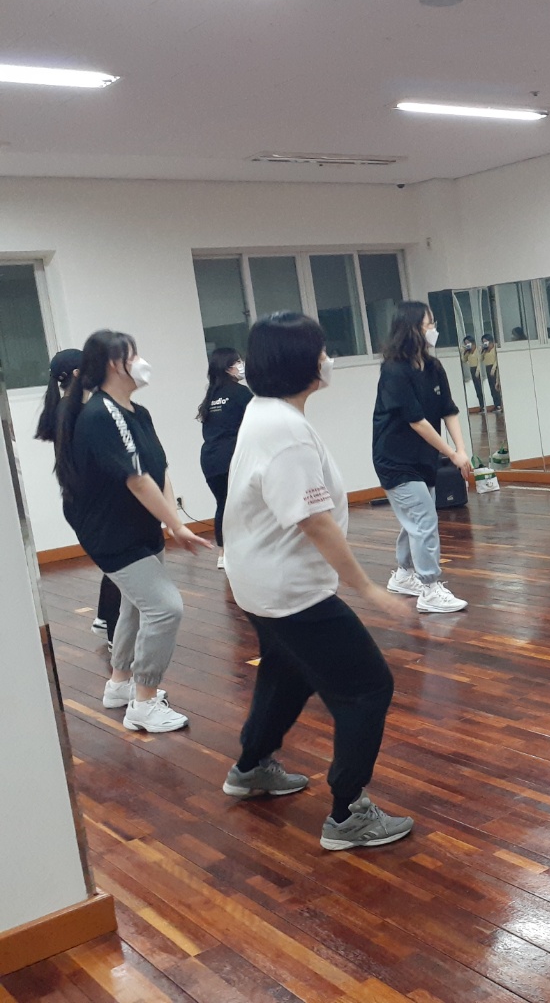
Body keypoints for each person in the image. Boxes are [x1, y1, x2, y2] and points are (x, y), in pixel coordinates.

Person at [222, 312, 416, 850]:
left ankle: (251, 767)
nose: (328, 358)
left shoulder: (265, 411)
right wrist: (367, 587)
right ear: (301, 362)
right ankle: (348, 814)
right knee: (367, 687)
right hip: (292, 591)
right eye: (322, 350)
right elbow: (314, 521)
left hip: (259, 583)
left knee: (286, 673)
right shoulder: (285, 432)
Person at [53, 330, 210, 732]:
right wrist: (177, 526)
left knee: (136, 606)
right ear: (113, 364)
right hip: (111, 533)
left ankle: (120, 684)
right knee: (165, 607)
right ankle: (144, 703)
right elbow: (137, 480)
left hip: (140, 525)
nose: (141, 362)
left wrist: (170, 520)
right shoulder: (102, 415)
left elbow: (159, 469)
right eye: (133, 355)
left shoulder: (137, 412)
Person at [372, 301, 472, 613]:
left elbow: (448, 410)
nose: (433, 329)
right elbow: (417, 421)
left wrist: (461, 450)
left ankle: (404, 575)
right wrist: (451, 455)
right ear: (412, 328)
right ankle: (429, 589)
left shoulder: (433, 367)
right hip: (395, 460)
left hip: (423, 459)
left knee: (415, 519)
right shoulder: (393, 371)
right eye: (429, 324)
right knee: (424, 519)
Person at [36, 348, 122, 644]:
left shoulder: (69, 408)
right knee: (120, 567)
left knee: (116, 565)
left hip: (83, 503)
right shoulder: (74, 412)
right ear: (77, 373)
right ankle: (115, 637)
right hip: (88, 505)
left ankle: (104, 619)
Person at [197, 347, 252, 570]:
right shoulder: (241, 393)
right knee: (244, 503)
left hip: (210, 459)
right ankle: (246, 550)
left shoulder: (211, 395)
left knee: (223, 503)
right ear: (228, 367)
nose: (241, 365)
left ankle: (224, 552)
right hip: (231, 456)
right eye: (238, 361)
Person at [479, 333, 503, 412]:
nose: (485, 343)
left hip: (495, 368)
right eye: (483, 342)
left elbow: (497, 359)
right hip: (488, 367)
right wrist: (482, 351)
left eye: (486, 341)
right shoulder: (485, 350)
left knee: (497, 386)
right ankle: (496, 404)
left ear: (490, 341)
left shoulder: (495, 348)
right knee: (492, 387)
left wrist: (494, 368)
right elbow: (480, 359)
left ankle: (501, 404)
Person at [461, 335, 485, 407]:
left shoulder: (478, 350)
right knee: (477, 388)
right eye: (465, 343)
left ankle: (484, 404)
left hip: (478, 369)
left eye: (468, 343)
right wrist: (464, 352)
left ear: (473, 343)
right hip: (472, 369)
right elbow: (464, 360)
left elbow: (479, 361)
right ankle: (481, 405)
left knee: (480, 387)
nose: (467, 345)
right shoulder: (468, 352)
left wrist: (478, 370)